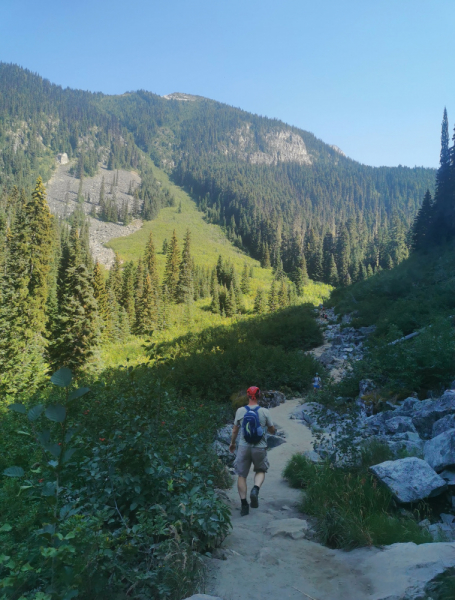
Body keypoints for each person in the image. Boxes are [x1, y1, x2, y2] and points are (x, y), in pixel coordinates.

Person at [229, 386, 276, 516]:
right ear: (259, 395)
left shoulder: (240, 411)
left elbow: (234, 430)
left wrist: (232, 443)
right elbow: (271, 430)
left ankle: (244, 505)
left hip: (244, 447)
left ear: (247, 396)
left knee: (241, 475)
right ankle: (255, 489)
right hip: (259, 447)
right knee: (261, 470)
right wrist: (272, 430)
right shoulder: (265, 412)